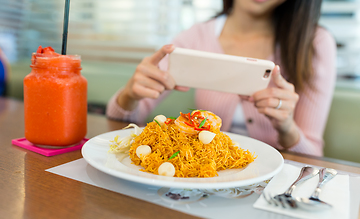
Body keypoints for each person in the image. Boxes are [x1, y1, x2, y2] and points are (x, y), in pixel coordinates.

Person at [106, 0, 336, 157]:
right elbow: (123, 120)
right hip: (206, 177)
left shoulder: (314, 43)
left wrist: (287, 128)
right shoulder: (196, 37)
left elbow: (312, 156)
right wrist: (130, 94)